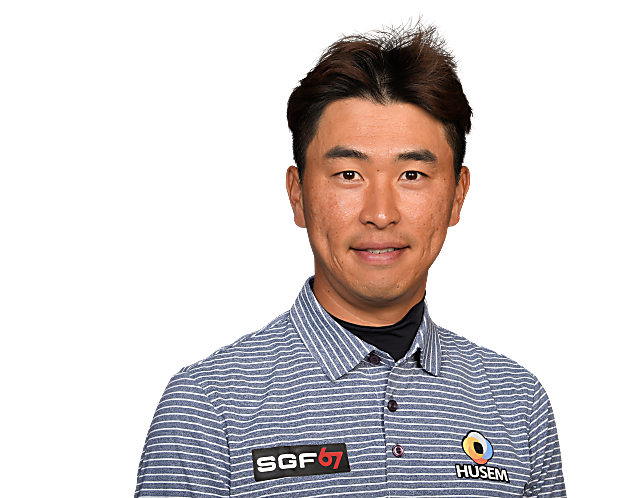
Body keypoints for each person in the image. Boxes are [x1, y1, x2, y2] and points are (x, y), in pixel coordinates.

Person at [134, 13, 566, 497]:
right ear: (297, 194)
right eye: (348, 175)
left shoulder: (518, 400)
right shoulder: (206, 405)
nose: (380, 214)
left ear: (458, 196)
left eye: (412, 175)